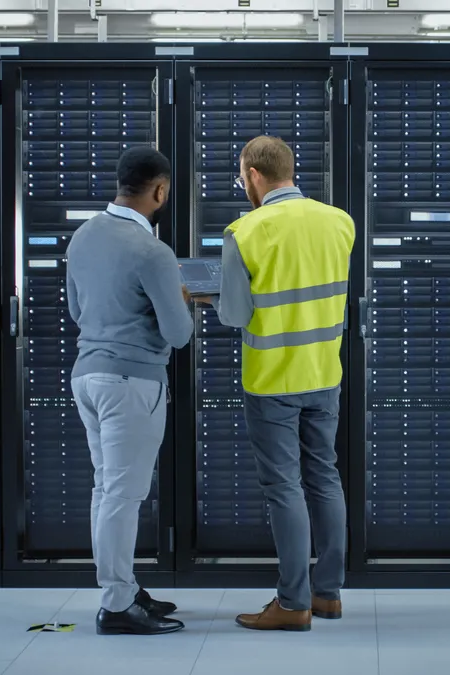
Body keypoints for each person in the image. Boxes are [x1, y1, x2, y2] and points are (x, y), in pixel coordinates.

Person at [202, 136, 355, 632]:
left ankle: (292, 603)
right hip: (324, 373)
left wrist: (208, 296)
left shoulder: (245, 231)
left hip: (272, 379)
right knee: (325, 478)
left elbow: (234, 312)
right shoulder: (339, 221)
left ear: (252, 175)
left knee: (284, 487)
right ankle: (327, 594)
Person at [66, 147, 193, 636]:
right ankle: (117, 603)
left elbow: (78, 312)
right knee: (124, 493)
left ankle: (124, 586)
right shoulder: (152, 251)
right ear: (159, 191)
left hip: (88, 376)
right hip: (131, 382)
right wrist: (181, 298)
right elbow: (178, 334)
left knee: (107, 489)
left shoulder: (82, 236)